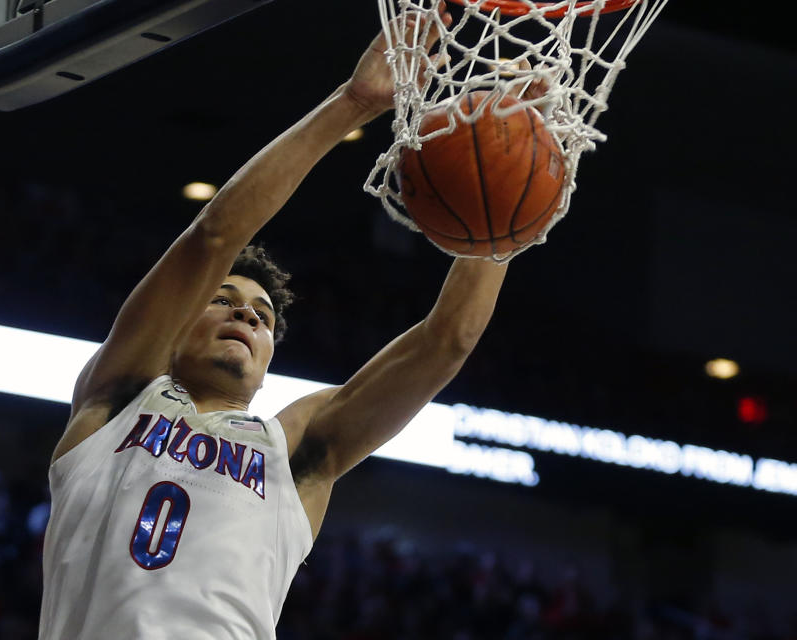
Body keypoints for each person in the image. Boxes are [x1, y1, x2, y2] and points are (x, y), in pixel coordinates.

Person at [38, 5, 508, 639]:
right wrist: (354, 102)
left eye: (261, 317)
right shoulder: (118, 398)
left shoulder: (292, 449)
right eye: (225, 301)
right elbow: (214, 237)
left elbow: (448, 341)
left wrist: (496, 221)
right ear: (175, 326)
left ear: (266, 362)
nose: (245, 316)